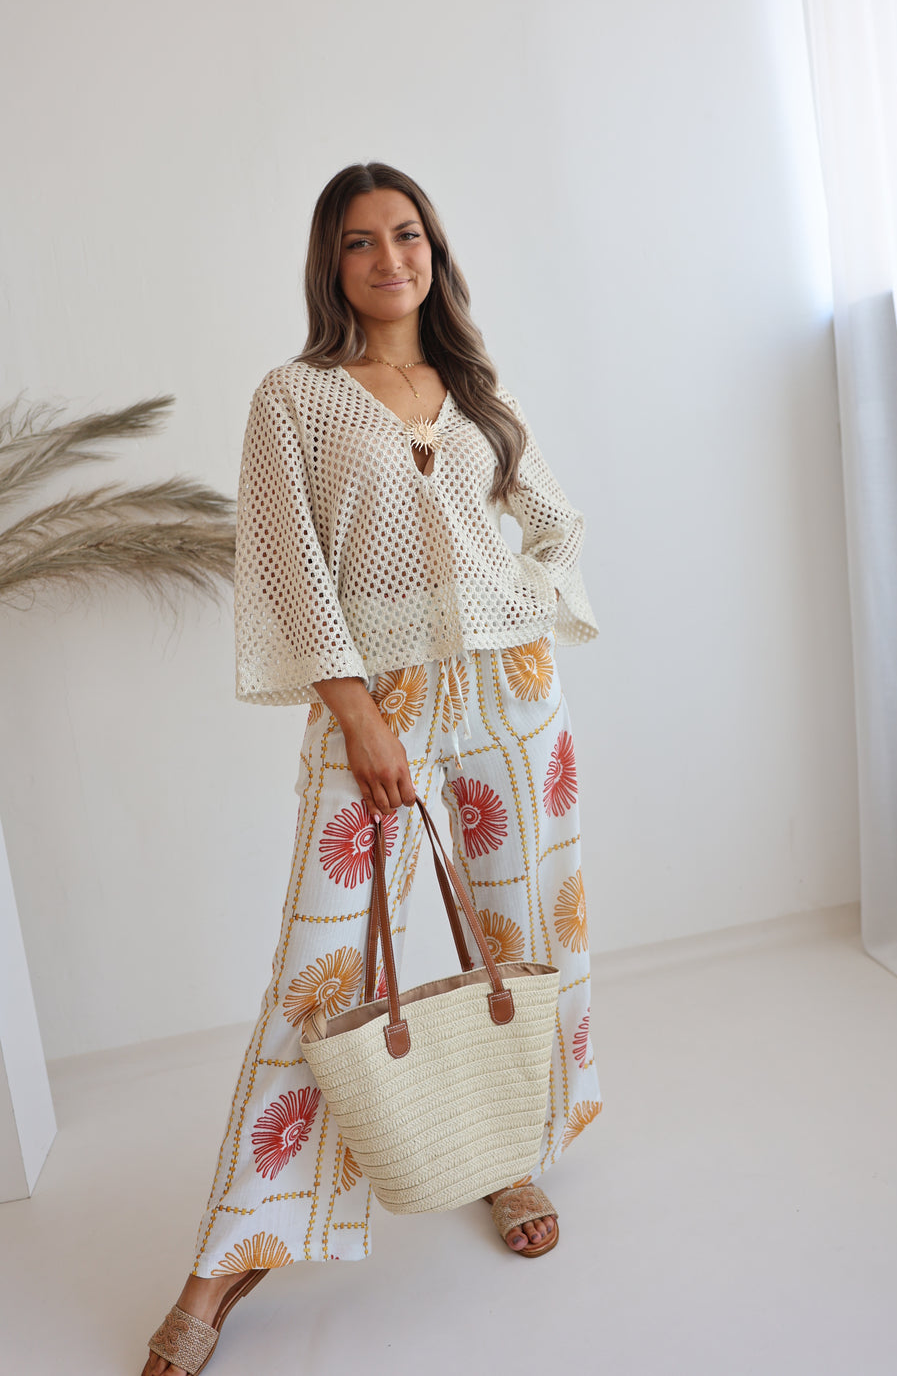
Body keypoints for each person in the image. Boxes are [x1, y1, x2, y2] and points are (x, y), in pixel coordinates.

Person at [143, 162, 602, 1376]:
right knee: (322, 970)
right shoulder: (294, 397)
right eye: (361, 241)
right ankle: (222, 1263)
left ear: (433, 253)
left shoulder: (476, 391)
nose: (389, 258)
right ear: (330, 262)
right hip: (377, 705)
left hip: (513, 696)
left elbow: (555, 525)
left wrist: (519, 608)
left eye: (407, 235)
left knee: (527, 932)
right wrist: (355, 711)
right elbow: (286, 568)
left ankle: (508, 1153)